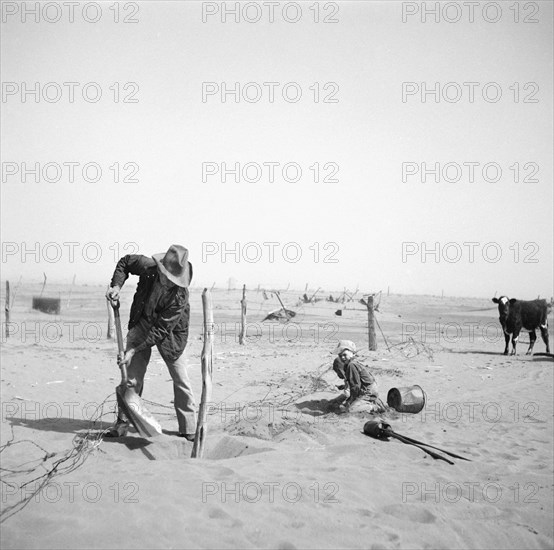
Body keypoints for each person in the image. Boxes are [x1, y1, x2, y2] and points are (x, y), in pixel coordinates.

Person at [105, 244, 197, 439]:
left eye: (173, 279)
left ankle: (188, 429)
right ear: (160, 268)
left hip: (171, 333)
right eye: (165, 275)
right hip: (142, 322)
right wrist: (116, 286)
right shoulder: (147, 267)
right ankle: (123, 422)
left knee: (181, 379)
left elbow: (161, 329)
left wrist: (132, 350)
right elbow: (125, 262)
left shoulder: (180, 296)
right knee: (131, 378)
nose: (168, 281)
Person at [332, 340, 385, 413]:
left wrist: (351, 401)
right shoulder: (351, 363)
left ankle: (375, 407)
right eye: (340, 356)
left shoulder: (352, 365)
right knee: (346, 404)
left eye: (344, 355)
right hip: (366, 389)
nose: (343, 358)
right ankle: (371, 401)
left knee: (351, 409)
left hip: (368, 391)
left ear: (352, 353)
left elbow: (355, 386)